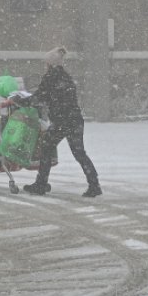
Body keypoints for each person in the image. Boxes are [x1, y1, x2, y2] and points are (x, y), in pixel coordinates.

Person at [11, 46, 102, 197]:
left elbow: (39, 97)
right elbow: (52, 96)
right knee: (79, 153)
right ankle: (94, 184)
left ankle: (41, 184)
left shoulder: (50, 77)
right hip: (75, 119)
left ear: (50, 64)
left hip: (62, 121)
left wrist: (21, 101)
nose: (44, 67)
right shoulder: (65, 76)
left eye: (45, 64)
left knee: (46, 147)